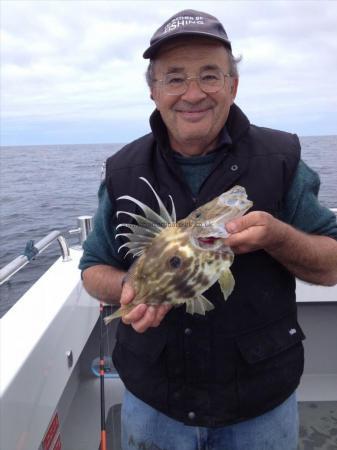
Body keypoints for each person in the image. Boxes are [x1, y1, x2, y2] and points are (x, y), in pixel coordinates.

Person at [80, 9, 337, 450]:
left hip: (261, 404)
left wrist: (277, 236)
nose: (193, 93)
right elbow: (91, 268)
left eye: (210, 76)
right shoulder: (123, 169)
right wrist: (133, 286)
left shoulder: (280, 158)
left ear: (232, 86)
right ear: (153, 91)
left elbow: (332, 265)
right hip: (155, 403)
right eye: (175, 78)